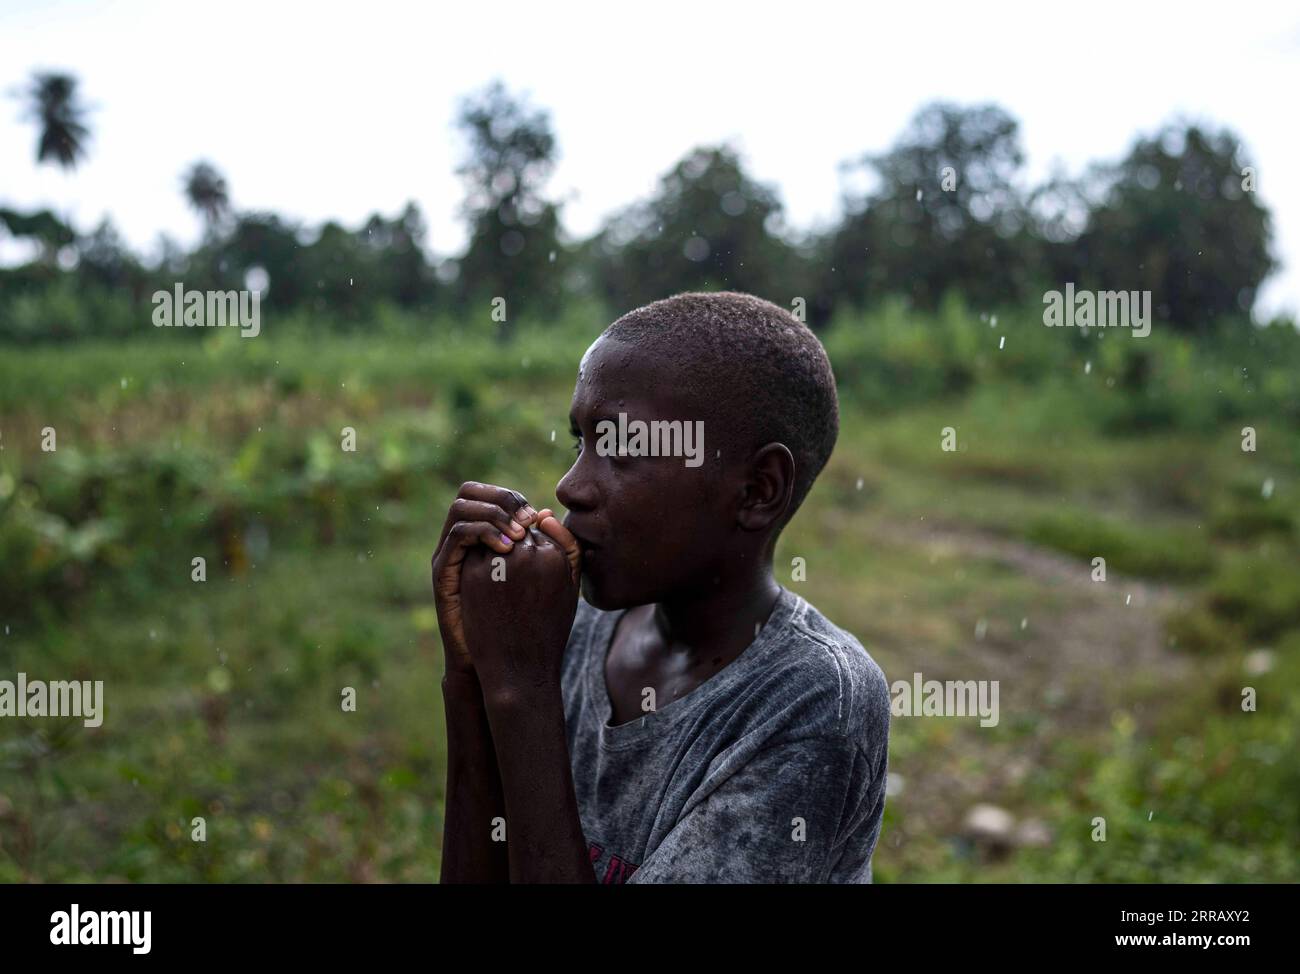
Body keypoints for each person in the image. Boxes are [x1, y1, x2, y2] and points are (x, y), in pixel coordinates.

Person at [432, 291, 891, 883]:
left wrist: (520, 689)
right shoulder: (571, 628)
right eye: (582, 442)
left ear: (757, 489)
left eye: (624, 447)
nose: (570, 487)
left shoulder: (812, 699)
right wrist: (472, 675)